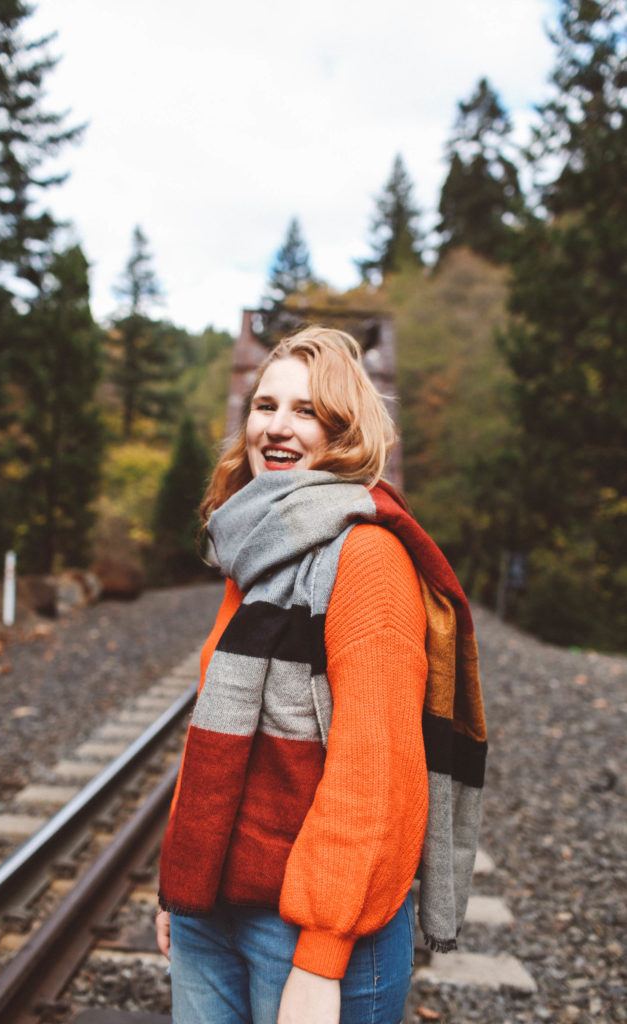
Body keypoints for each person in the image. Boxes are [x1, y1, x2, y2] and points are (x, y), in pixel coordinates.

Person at [155, 325, 487, 1024]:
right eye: (264, 406)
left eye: (306, 412)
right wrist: (178, 882)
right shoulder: (255, 547)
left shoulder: (364, 557)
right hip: (209, 905)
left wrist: (320, 955)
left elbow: (374, 774)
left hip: (306, 926)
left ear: (345, 433)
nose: (276, 428)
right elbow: (211, 735)